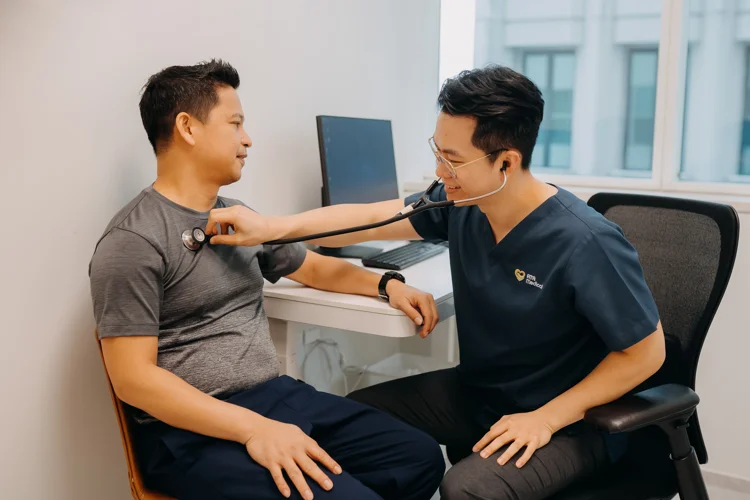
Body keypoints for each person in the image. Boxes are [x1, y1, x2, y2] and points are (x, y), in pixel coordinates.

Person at [204, 64, 667, 499]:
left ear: (506, 161)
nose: (440, 173)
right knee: (356, 420)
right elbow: (370, 216)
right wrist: (271, 228)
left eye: (453, 159)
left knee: (465, 489)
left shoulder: (585, 241)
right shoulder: (462, 204)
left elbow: (646, 352)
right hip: (481, 393)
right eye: (437, 153)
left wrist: (547, 419)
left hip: (570, 422)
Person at [88, 59, 446, 500]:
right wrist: (255, 430)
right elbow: (133, 379)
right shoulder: (134, 239)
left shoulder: (240, 218)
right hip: (188, 431)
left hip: (273, 397)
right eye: (235, 123)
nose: (247, 138)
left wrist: (388, 285)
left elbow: (312, 267)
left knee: (418, 458)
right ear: (187, 127)